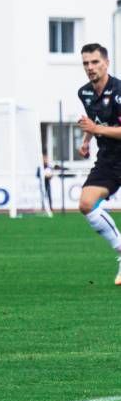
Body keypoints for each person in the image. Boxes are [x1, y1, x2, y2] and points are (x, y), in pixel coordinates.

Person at [75, 42, 121, 285]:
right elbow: (94, 119)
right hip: (108, 160)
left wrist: (95, 129)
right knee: (86, 203)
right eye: (85, 63)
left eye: (95, 62)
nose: (90, 67)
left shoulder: (119, 91)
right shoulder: (84, 93)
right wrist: (86, 139)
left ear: (106, 63)